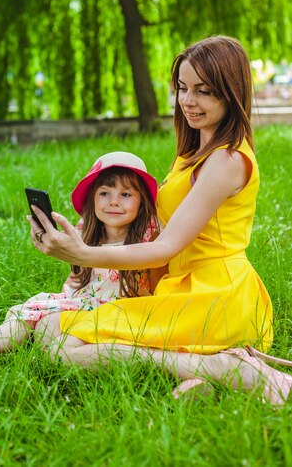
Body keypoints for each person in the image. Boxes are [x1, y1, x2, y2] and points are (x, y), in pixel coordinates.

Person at [28, 35, 292, 406]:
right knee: (53, 333)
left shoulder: (227, 160)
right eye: (182, 88)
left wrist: (84, 253)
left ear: (230, 93)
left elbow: (165, 247)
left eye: (203, 90)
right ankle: (203, 369)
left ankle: (225, 368)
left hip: (216, 295)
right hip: (182, 287)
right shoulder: (198, 152)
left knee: (58, 341)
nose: (187, 100)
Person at [0, 151, 161, 363]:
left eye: (126, 194)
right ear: (92, 199)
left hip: (120, 313)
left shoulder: (148, 234)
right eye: (105, 193)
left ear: (142, 202)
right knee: (30, 319)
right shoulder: (84, 232)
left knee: (38, 324)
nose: (114, 201)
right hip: (83, 304)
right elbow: (78, 277)